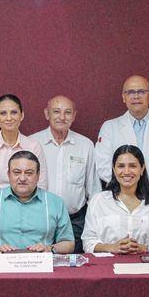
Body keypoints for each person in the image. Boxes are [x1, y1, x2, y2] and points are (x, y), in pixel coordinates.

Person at [94, 75, 149, 218]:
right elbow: (103, 165)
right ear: (124, 97)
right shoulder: (109, 127)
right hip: (122, 199)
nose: (136, 96)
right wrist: (135, 186)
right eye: (130, 92)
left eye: (141, 91)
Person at [30, 95, 100, 253]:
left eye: (67, 112)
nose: (62, 117)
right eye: (56, 111)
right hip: (39, 221)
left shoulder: (85, 145)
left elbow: (94, 190)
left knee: (73, 271)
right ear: (47, 114)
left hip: (75, 221)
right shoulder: (32, 143)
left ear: (74, 116)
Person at [0, 151, 74, 255]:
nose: (22, 178)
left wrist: (49, 248)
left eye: (29, 173)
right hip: (0, 265)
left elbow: (69, 243)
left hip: (42, 265)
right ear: (8, 175)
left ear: (38, 175)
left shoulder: (56, 202)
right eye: (16, 172)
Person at [82, 145, 149, 254]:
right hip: (107, 267)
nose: (126, 171)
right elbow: (87, 242)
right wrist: (112, 248)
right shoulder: (98, 201)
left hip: (146, 266)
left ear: (142, 168)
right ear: (114, 169)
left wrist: (145, 248)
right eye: (121, 166)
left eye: (133, 166)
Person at [0, 94, 48, 203]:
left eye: (14, 112)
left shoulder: (33, 146)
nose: (9, 118)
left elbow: (41, 185)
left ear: (22, 115)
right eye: (3, 113)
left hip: (27, 211)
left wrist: (25, 209)